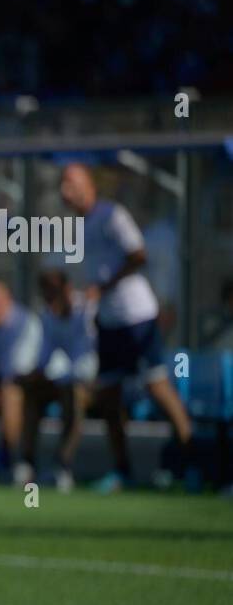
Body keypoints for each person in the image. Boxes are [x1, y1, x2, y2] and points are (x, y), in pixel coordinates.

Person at [59, 164, 195, 492]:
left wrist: (103, 288)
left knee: (158, 387)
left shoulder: (112, 215)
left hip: (136, 316)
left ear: (89, 185)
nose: (66, 191)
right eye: (63, 185)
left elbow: (138, 255)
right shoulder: (79, 225)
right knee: (108, 397)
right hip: (109, 322)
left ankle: (191, 465)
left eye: (72, 183)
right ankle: (122, 471)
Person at [14, 270, 97, 492]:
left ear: (68, 290)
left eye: (54, 293)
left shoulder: (88, 313)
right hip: (63, 381)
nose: (50, 300)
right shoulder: (47, 317)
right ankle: (26, 462)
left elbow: (88, 365)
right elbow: (44, 356)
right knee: (31, 392)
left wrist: (58, 375)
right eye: (46, 295)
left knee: (74, 393)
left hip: (93, 384)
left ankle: (63, 465)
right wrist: (35, 374)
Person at [0, 276, 41, 480]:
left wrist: (1, 388)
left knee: (11, 394)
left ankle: (13, 460)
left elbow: (20, 363)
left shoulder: (26, 322)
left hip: (29, 384)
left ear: (8, 299)